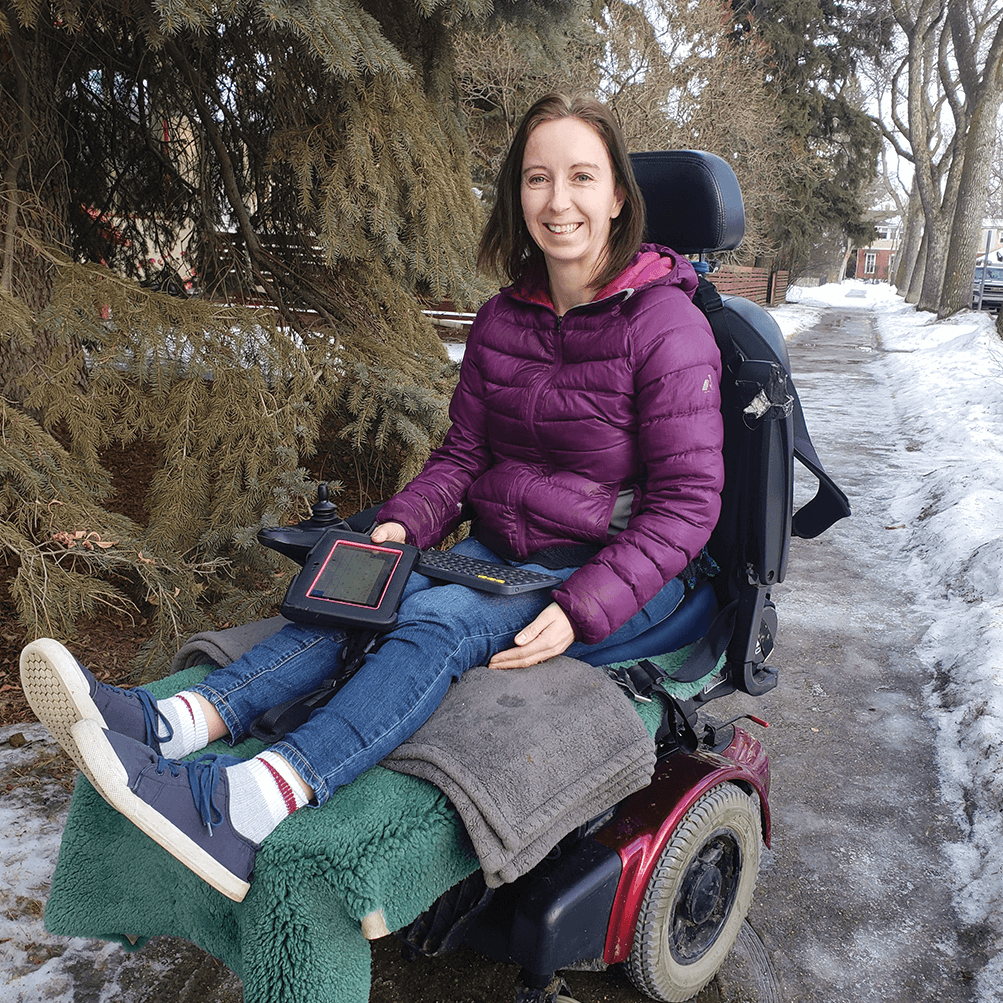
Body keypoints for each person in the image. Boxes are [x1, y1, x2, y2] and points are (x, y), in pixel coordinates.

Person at [20, 93, 725, 903]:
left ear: (617, 198)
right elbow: (462, 455)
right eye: (537, 178)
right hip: (502, 554)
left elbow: (685, 508)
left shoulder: (666, 325)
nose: (557, 201)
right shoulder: (504, 318)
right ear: (515, 195)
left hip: (616, 574)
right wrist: (401, 523)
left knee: (436, 622)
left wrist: (579, 606)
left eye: (579, 177)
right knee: (361, 587)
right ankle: (175, 723)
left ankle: (252, 803)